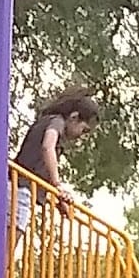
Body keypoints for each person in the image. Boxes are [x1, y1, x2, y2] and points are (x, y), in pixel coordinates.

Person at [9, 87, 99, 238]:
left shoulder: (50, 124)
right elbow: (47, 146)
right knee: (5, 250)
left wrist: (59, 197)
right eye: (84, 130)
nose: (82, 137)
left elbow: (40, 167)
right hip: (20, 190)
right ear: (74, 117)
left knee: (4, 247)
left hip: (19, 188)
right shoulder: (56, 122)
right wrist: (58, 185)